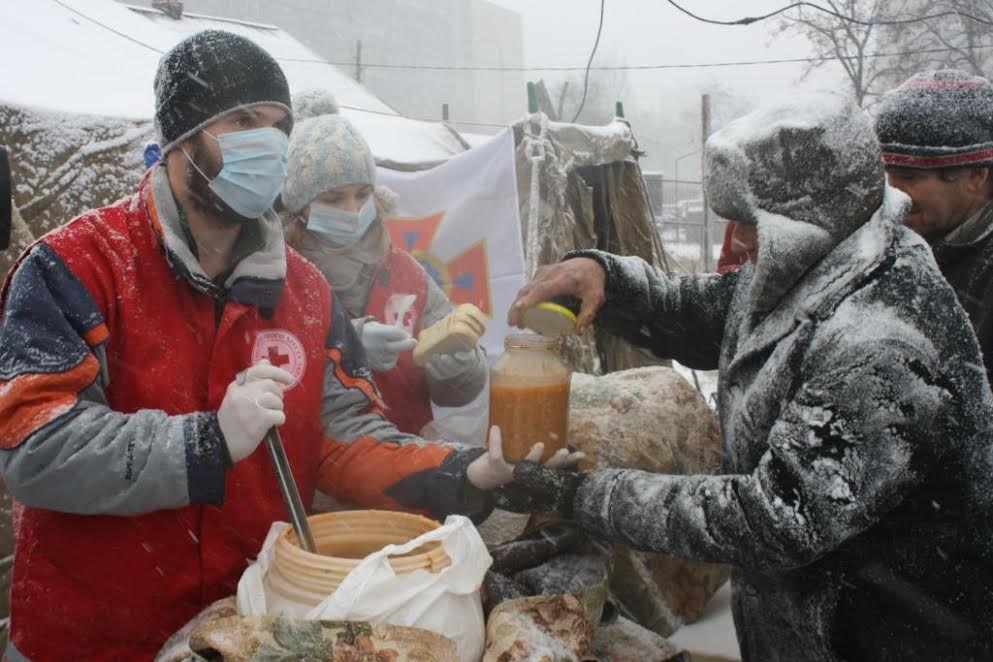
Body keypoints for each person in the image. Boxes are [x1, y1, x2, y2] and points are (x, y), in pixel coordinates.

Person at [0, 31, 563, 660]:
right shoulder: (75, 268)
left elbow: (343, 438)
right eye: (242, 121)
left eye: (277, 125)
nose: (266, 142)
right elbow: (34, 445)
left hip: (242, 626)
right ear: (183, 135)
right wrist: (203, 444)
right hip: (92, 637)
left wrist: (463, 473)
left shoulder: (304, 292)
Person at [499, 95, 993, 660]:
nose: (740, 239)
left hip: (891, 635)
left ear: (817, 214)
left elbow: (773, 516)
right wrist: (607, 277)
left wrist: (580, 494)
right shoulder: (821, 264)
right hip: (799, 629)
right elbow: (704, 307)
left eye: (755, 220)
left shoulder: (883, 340)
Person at [280, 108, 487, 435]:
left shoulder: (407, 274)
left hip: (406, 461)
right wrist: (348, 345)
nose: (352, 209)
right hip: (318, 465)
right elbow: (269, 366)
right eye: (333, 199)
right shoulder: (279, 273)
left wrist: (459, 371)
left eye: (362, 194)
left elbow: (455, 393)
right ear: (298, 205)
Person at [875, 69, 993, 385]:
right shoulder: (883, 243)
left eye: (909, 177)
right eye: (886, 175)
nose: (892, 193)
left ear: (976, 176)